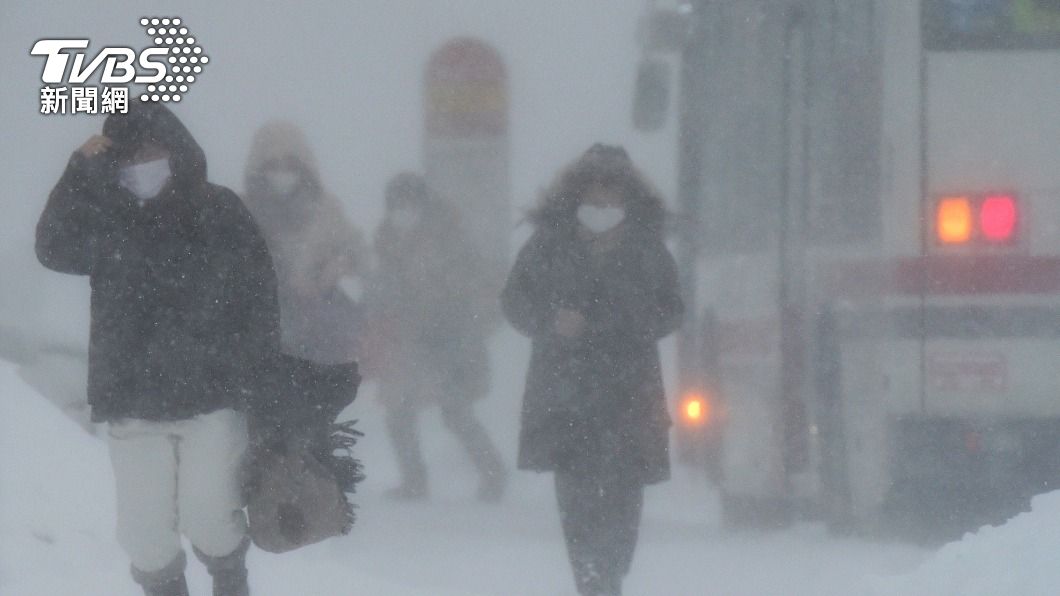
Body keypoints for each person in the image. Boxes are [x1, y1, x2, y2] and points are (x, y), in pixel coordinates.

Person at [35, 101, 280, 596]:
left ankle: (231, 580)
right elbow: (53, 247)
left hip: (212, 396)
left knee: (212, 519)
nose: (139, 163)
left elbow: (259, 296)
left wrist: (260, 378)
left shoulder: (218, 208)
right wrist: (78, 169)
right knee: (144, 538)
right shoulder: (106, 217)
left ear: (176, 150)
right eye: (125, 154)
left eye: (150, 150)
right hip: (131, 398)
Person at [501, 144, 683, 596]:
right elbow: (514, 302)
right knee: (576, 496)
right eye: (593, 198)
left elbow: (672, 309)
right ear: (576, 194)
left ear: (627, 198)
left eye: (611, 199)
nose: (601, 208)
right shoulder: (548, 243)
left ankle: (612, 571)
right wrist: (550, 320)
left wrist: (628, 322)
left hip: (629, 394)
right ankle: (590, 577)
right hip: (566, 394)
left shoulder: (647, 247)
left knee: (625, 497)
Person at [365, 172, 507, 502]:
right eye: (396, 206)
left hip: (449, 337)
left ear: (422, 206)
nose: (402, 212)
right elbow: (385, 285)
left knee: (454, 411)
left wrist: (429, 300)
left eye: (408, 204)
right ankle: (414, 481)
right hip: (409, 339)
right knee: (398, 411)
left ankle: (493, 472)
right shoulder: (387, 240)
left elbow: (466, 286)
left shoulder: (449, 238)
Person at [241, 120, 368, 366]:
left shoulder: (326, 210)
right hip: (260, 340)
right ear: (259, 168)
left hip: (319, 340)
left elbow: (359, 254)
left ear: (303, 167)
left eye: (289, 164)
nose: (282, 173)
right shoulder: (243, 212)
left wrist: (337, 266)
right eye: (273, 165)